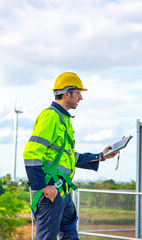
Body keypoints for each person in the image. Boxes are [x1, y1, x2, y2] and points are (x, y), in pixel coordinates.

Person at [23, 72, 119, 240]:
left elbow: (69, 157)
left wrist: (101, 156)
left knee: (70, 235)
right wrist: (43, 186)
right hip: (51, 193)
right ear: (67, 93)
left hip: (63, 192)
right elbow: (31, 153)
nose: (81, 98)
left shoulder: (64, 119)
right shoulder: (50, 117)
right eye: (78, 93)